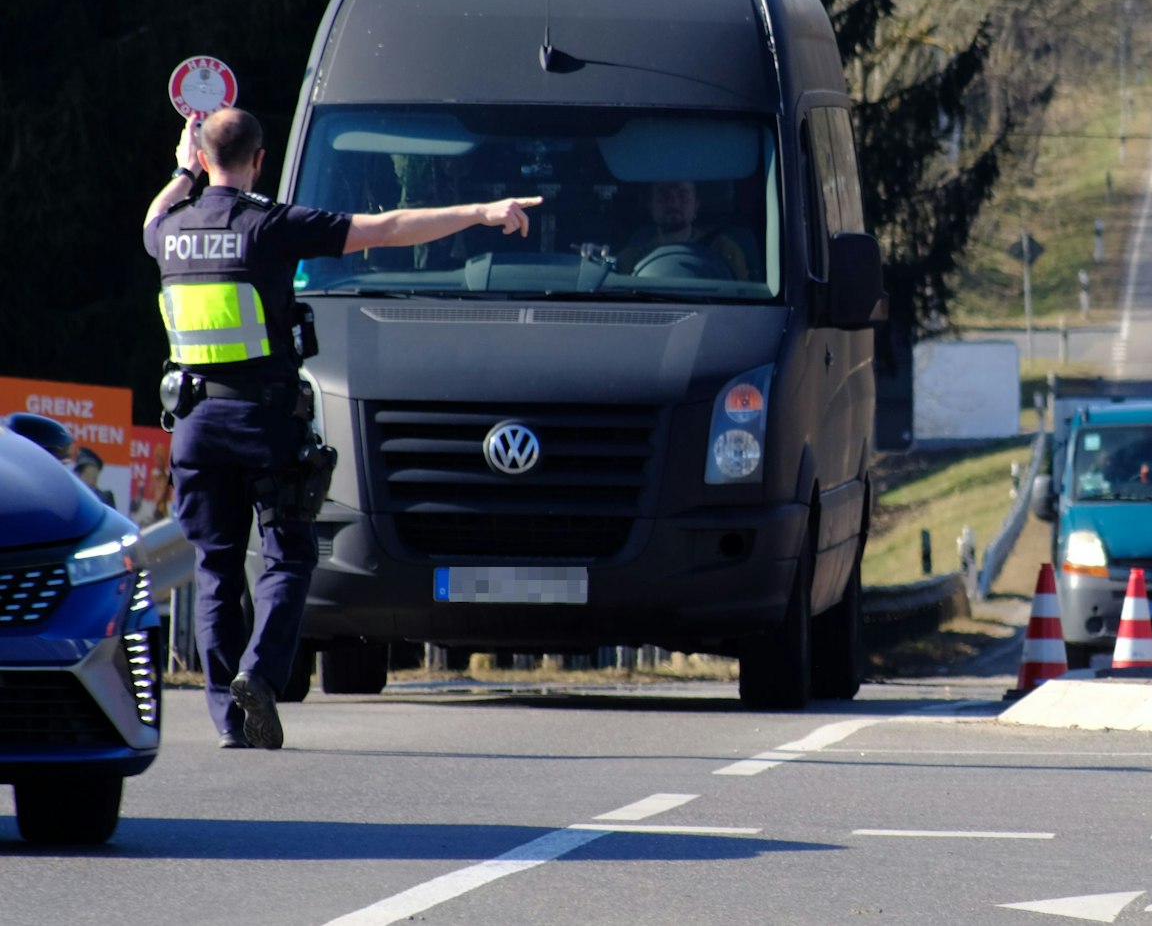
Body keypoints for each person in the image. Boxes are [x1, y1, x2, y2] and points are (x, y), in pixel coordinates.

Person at [143, 107, 540, 750]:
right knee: (289, 554)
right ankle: (258, 675)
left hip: (193, 425)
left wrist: (182, 172)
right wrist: (481, 212)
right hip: (264, 421)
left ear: (204, 158)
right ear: (261, 160)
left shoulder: (172, 230)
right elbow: (388, 228)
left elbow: (150, 219)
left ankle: (229, 721)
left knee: (216, 568)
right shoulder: (270, 225)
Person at [615, 180, 748, 279]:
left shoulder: (724, 249)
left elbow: (742, 296)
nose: (674, 203)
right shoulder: (632, 258)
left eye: (683, 195)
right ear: (650, 206)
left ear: (696, 206)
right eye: (664, 196)